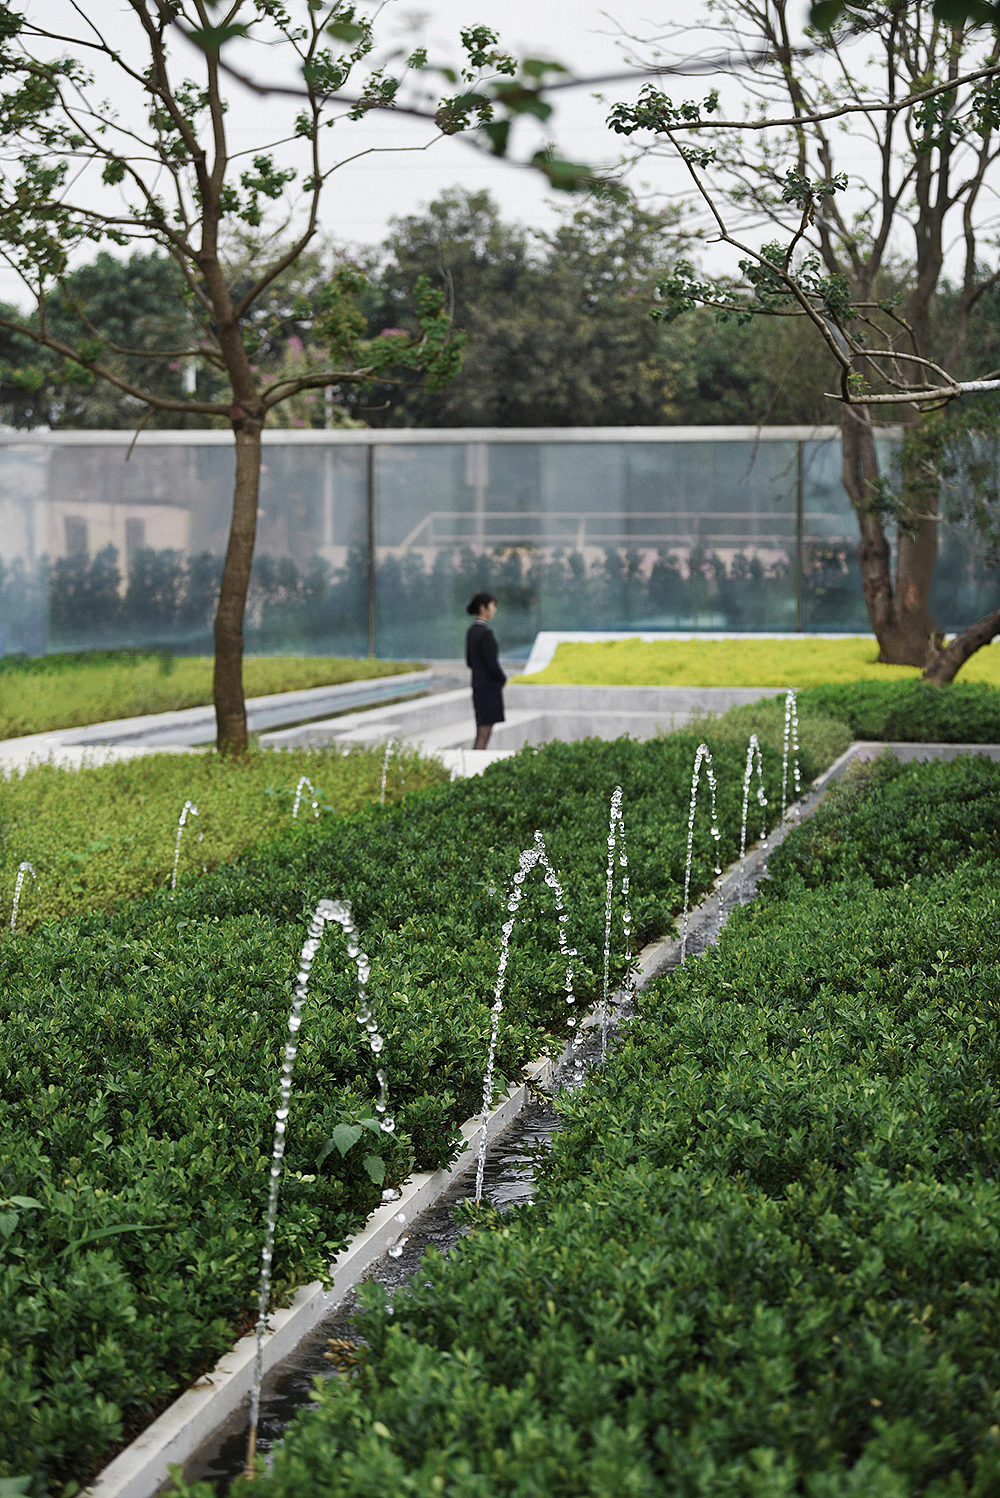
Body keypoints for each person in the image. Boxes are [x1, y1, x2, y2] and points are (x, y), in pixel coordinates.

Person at [465, 591, 506, 750]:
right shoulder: (485, 633)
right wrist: (502, 678)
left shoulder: (472, 631)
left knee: (481, 727)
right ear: (483, 607)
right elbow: (491, 663)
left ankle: (474, 764)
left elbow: (469, 661)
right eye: (492, 605)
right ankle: (474, 767)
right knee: (485, 731)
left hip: (478, 684)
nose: (494, 609)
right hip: (489, 687)